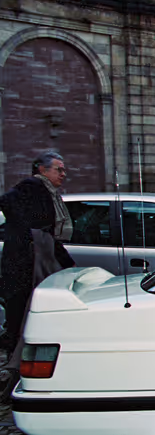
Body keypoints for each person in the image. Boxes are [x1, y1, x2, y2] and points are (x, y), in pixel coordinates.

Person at [0, 152, 75, 364]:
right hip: (24, 262)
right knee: (21, 310)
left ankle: (18, 356)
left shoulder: (47, 191)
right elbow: (6, 202)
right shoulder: (32, 186)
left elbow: (49, 232)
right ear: (42, 170)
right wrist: (28, 233)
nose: (63, 174)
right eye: (58, 169)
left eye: (64, 169)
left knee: (25, 309)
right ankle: (15, 361)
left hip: (31, 258)